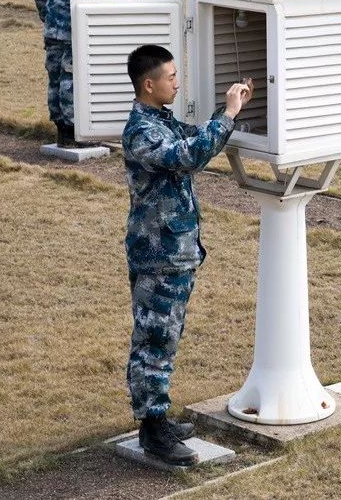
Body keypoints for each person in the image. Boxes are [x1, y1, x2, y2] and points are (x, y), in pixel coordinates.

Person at [123, 44, 251, 466]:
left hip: (174, 251)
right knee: (154, 340)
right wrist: (228, 115)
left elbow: (195, 138)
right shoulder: (142, 131)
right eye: (171, 77)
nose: (177, 83)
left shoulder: (160, 120)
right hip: (158, 255)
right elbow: (190, 155)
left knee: (165, 337)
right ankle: (153, 429)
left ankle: (157, 419)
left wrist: (226, 111)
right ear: (149, 84)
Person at [34, 0, 123, 148]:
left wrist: (49, 19)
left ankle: (62, 132)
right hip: (75, 32)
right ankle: (75, 132)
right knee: (70, 80)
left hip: (52, 31)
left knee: (55, 80)